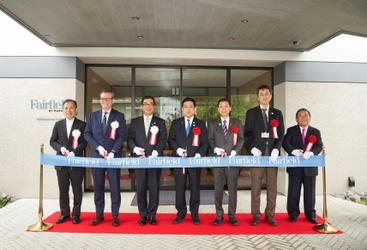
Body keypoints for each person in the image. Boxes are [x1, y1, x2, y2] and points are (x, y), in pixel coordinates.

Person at [244, 84, 284, 226]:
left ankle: (270, 214)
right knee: (256, 185)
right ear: (258, 97)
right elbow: (246, 135)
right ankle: (255, 215)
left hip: (272, 154)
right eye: (261, 94)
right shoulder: (251, 113)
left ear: (271, 96)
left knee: (272, 186)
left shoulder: (277, 113)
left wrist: (276, 149)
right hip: (258, 155)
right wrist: (252, 149)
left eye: (267, 93)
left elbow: (280, 135)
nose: (264, 96)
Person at [84, 90, 126, 227]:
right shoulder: (93, 116)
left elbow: (121, 136)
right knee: (98, 187)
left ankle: (115, 215)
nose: (104, 101)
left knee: (114, 187)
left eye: (108, 99)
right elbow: (87, 134)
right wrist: (98, 148)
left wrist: (113, 151)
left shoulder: (119, 116)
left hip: (113, 157)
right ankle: (99, 214)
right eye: (102, 99)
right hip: (97, 157)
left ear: (112, 100)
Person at [168, 97, 208, 225]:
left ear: (195, 109)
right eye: (186, 106)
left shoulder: (201, 124)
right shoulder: (176, 123)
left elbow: (205, 143)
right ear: (182, 109)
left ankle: (195, 213)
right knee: (179, 187)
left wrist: (199, 154)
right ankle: (181, 212)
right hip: (180, 161)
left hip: (194, 162)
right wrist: (178, 150)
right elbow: (171, 140)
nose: (188, 109)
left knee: (195, 187)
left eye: (191, 106)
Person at [127, 96, 167, 226]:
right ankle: (143, 215)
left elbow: (162, 138)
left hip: (155, 159)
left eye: (151, 104)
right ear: (141, 106)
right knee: (141, 188)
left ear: (154, 107)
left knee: (154, 188)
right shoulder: (135, 122)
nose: (148, 106)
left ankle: (152, 214)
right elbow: (130, 139)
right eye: (146, 104)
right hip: (140, 159)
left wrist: (157, 150)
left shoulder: (160, 122)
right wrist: (135, 149)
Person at [282, 108, 323, 224]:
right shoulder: (291, 131)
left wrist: (312, 153)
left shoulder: (315, 132)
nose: (303, 117)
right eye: (300, 115)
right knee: (293, 192)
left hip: (310, 168)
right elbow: (285, 143)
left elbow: (319, 146)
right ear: (296, 119)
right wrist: (293, 151)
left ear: (309, 118)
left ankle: (310, 215)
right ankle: (293, 214)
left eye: (306, 115)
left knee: (310, 193)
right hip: (295, 167)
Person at [208, 98, 244, 226]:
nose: (223, 109)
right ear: (218, 109)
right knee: (218, 189)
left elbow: (241, 139)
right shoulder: (212, 124)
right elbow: (210, 140)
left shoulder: (237, 123)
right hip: (218, 161)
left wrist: (235, 151)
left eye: (226, 106)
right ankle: (219, 215)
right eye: (221, 107)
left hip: (232, 161)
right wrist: (216, 149)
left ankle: (232, 215)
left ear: (230, 108)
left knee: (233, 189)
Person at [50, 99, 87, 225]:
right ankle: (64, 213)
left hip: (76, 163)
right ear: (62, 110)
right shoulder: (58, 124)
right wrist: (61, 148)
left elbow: (84, 142)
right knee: (63, 190)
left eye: (71, 108)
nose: (68, 110)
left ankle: (76, 214)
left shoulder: (82, 125)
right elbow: (52, 141)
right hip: (61, 164)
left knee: (77, 190)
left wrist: (74, 152)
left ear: (76, 110)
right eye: (66, 108)